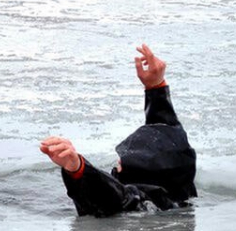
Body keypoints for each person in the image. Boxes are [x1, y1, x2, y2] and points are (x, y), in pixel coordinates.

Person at [41, 44, 197, 217]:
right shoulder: (180, 184)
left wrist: (78, 169)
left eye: (121, 162)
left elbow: (116, 197)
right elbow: (167, 136)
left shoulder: (140, 204)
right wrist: (156, 87)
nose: (117, 164)